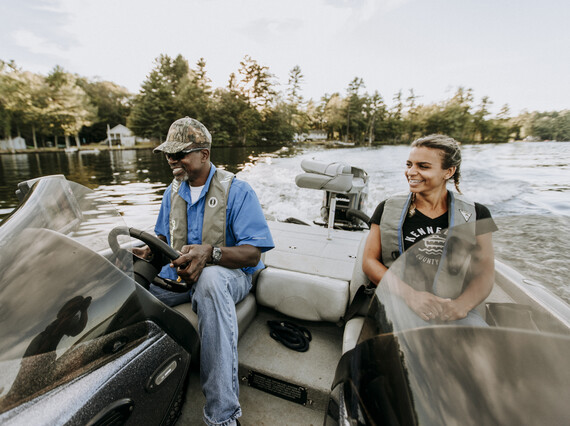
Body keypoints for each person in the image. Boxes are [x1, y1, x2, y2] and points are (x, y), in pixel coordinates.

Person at [136, 117, 274, 426]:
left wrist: (211, 252)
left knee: (210, 279)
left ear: (204, 154)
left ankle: (223, 417)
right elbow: (163, 236)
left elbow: (254, 252)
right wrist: (150, 250)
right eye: (169, 154)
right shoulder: (171, 192)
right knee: (125, 280)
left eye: (180, 153)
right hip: (179, 277)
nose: (172, 160)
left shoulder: (238, 191)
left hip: (230, 275)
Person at [362, 134, 497, 330]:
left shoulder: (478, 213)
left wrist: (461, 305)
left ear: (448, 172)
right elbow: (369, 261)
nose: (411, 172)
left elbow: (485, 273)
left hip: (449, 307)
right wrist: (411, 296)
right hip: (397, 300)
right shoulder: (386, 208)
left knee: (484, 346)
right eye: (409, 164)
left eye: (423, 166)